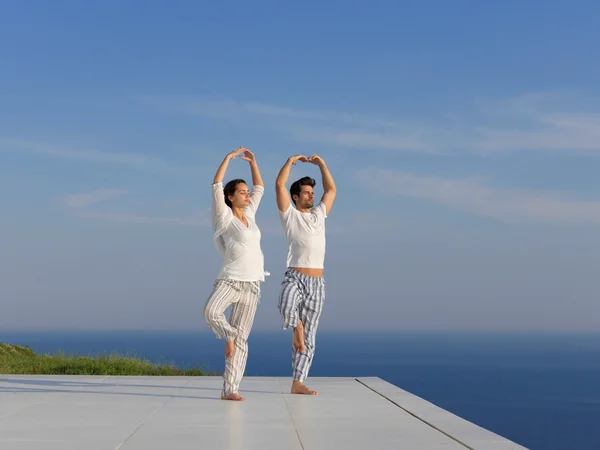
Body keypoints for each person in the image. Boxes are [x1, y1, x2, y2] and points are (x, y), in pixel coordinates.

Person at [203, 146, 267, 402]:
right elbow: (216, 185)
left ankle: (231, 389)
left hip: (253, 284)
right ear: (230, 197)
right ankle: (227, 334)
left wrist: (253, 162)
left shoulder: (250, 215)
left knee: (243, 340)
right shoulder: (224, 218)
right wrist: (228, 159)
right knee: (211, 312)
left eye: (246, 192)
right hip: (230, 279)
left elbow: (260, 188)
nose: (247, 194)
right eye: (242, 192)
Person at [275, 153, 336, 395]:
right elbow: (279, 185)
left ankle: (298, 382)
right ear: (296, 197)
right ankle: (295, 327)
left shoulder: (319, 215)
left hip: (317, 282)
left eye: (312, 192)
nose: (312, 195)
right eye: (307, 192)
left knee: (310, 337)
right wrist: (289, 162)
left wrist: (322, 164)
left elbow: (331, 190)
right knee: (286, 302)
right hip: (295, 276)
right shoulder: (290, 216)